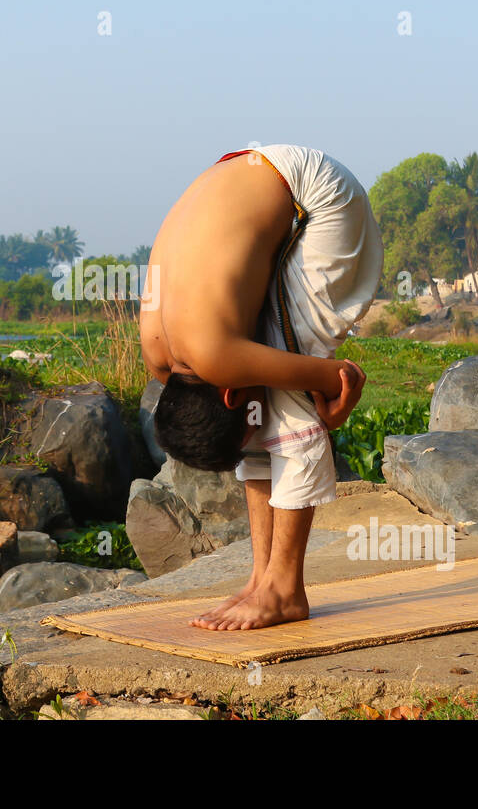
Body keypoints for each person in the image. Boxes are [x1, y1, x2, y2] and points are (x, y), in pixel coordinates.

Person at [140, 145, 383, 630]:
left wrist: (332, 413)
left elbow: (339, 378)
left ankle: (285, 589)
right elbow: (252, 398)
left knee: (289, 401)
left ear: (229, 393)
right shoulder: (160, 357)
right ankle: (261, 578)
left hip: (317, 193)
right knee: (270, 389)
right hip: (251, 172)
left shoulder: (217, 357)